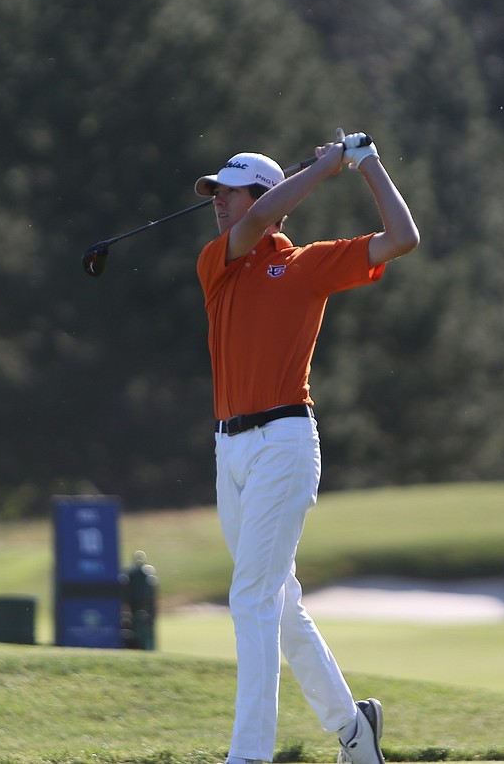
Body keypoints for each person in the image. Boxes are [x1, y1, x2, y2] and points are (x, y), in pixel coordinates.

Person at [194, 131, 419, 764]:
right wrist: (324, 167)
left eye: (228, 193)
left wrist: (367, 164)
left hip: (285, 442)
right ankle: (354, 731)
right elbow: (261, 219)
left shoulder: (308, 263)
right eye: (214, 192)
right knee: (279, 602)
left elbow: (403, 239)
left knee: (253, 598)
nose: (217, 202)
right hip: (229, 452)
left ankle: (249, 755)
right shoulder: (219, 261)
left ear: (262, 196)